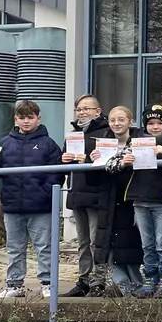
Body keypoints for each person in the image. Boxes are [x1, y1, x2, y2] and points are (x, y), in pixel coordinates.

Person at [0, 99, 66, 299]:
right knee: (14, 247)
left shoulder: (49, 144)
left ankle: (48, 284)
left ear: (39, 118)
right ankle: (14, 284)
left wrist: (44, 193)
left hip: (41, 207)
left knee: (44, 247)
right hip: (13, 205)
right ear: (15, 119)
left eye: (30, 117)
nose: (26, 121)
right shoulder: (5, 143)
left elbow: (57, 175)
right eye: (21, 117)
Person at [106, 104, 162, 297]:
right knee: (147, 244)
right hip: (139, 200)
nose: (155, 127)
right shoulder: (135, 141)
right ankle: (150, 279)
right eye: (151, 123)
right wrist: (122, 162)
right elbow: (110, 164)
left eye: (159, 123)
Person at [60, 93, 108, 298]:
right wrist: (63, 158)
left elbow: (107, 160)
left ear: (97, 111)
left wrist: (87, 158)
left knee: (97, 239)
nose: (81, 112)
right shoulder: (73, 134)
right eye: (79, 109)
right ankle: (84, 279)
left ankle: (99, 280)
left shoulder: (106, 133)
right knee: (82, 242)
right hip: (77, 192)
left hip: (97, 194)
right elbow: (64, 161)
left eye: (86, 109)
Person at [93, 106, 145, 297]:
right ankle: (124, 288)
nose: (116, 123)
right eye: (113, 119)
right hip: (108, 201)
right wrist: (94, 164)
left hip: (131, 201)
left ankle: (137, 286)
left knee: (130, 246)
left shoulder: (141, 142)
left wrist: (128, 165)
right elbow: (93, 181)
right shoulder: (102, 143)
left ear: (130, 121)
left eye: (121, 119)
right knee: (109, 247)